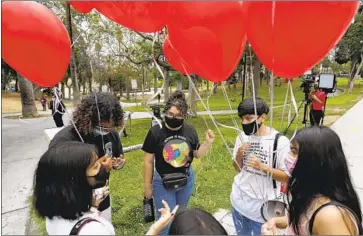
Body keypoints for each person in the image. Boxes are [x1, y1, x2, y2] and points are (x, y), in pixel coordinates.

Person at [261, 126, 362, 235]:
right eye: (290, 150)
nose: (288, 157)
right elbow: (306, 221)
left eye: (294, 151)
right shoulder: (309, 195)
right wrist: (283, 221)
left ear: (315, 161)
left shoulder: (329, 217)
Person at [142, 90, 215, 235]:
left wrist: (207, 143)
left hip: (186, 179)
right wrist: (147, 187)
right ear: (165, 112)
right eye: (170, 114)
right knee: (165, 221)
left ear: (184, 116)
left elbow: (197, 154)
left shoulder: (189, 130)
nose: (173, 118)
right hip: (162, 181)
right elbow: (148, 161)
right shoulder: (156, 132)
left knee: (181, 217)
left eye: (178, 115)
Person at [49, 92, 126, 222]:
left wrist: (118, 163)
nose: (106, 131)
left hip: (102, 200)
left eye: (111, 127)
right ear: (88, 119)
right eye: (102, 127)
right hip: (72, 206)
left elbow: (118, 155)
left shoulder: (111, 133)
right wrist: (99, 167)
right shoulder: (64, 140)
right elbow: (57, 179)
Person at [231, 97, 290, 235]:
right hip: (239, 202)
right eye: (242, 119)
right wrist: (239, 154)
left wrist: (262, 167)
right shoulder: (242, 137)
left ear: (262, 117)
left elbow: (286, 177)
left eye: (248, 118)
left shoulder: (280, 142)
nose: (244, 122)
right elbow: (236, 168)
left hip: (263, 210)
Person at [33, 142, 115, 235]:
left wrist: (93, 206)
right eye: (95, 166)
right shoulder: (93, 230)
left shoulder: (54, 216)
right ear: (75, 181)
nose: (102, 166)